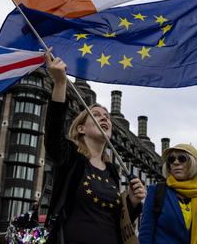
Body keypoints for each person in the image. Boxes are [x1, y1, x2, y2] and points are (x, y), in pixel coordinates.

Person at [44, 52, 146, 244]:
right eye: (96, 115)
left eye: (107, 117)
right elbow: (53, 136)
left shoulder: (112, 171)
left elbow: (117, 222)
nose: (104, 118)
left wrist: (132, 203)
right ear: (81, 128)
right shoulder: (71, 158)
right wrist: (60, 84)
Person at [139, 143, 197, 244]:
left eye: (182, 158)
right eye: (171, 159)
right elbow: (145, 235)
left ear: (192, 164)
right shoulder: (157, 191)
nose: (176, 162)